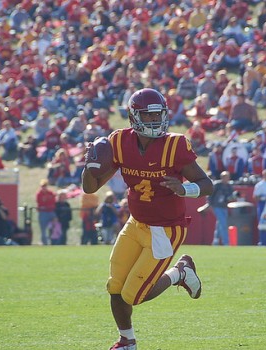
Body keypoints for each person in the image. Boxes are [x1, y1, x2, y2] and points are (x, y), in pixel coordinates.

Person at [81, 88, 213, 350]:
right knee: (115, 286)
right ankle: (127, 341)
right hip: (135, 223)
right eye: (147, 116)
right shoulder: (119, 142)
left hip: (166, 229)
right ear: (133, 117)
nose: (154, 122)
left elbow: (207, 185)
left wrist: (184, 189)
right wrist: (90, 165)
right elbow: (90, 187)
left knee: (134, 295)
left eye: (158, 116)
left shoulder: (175, 145)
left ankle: (179, 273)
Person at [209, 171, 236, 245]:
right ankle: (226, 242)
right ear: (222, 177)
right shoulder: (217, 185)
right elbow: (210, 195)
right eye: (225, 177)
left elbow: (231, 197)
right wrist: (210, 205)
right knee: (224, 224)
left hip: (224, 207)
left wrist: (233, 197)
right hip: (217, 206)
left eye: (227, 177)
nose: (226, 178)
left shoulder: (229, 186)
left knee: (219, 224)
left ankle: (215, 242)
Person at [35, 179, 56, 245]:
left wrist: (46, 205)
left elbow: (53, 202)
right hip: (43, 213)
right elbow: (40, 204)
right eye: (42, 186)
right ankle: (45, 244)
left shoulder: (50, 193)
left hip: (51, 212)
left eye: (45, 185)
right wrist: (46, 205)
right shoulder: (39, 194)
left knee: (53, 229)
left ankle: (53, 243)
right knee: (43, 230)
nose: (44, 187)